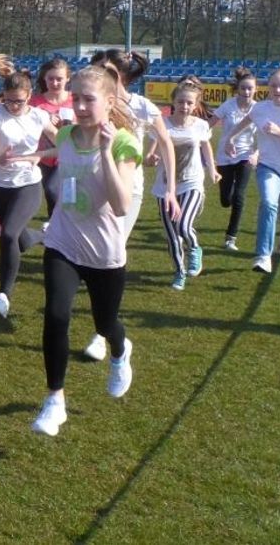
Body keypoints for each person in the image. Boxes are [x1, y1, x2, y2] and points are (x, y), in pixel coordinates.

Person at [31, 65, 141, 437]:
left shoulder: (125, 143)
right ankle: (54, 400)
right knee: (56, 316)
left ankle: (120, 349)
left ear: (110, 102)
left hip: (105, 254)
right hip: (63, 243)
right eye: (74, 98)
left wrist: (107, 152)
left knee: (104, 323)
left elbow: (122, 204)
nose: (78, 105)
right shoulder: (64, 137)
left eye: (87, 99)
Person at [82, 49, 179, 362]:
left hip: (127, 191)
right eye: (98, 70)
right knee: (89, 258)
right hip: (91, 189)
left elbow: (165, 144)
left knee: (111, 253)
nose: (103, 76)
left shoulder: (141, 106)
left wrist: (171, 189)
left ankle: (102, 334)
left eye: (108, 71)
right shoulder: (90, 104)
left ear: (121, 76)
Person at [0, 67, 53, 319]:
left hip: (27, 184)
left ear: (29, 96)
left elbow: (64, 144)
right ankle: (41, 236)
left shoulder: (39, 116)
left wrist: (39, 155)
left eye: (19, 101)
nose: (14, 106)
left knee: (7, 236)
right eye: (8, 100)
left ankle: (3, 296)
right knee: (19, 239)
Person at [222, 68, 280, 274]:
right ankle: (263, 256)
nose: (277, 90)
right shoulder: (261, 109)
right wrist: (230, 138)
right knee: (268, 203)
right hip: (268, 167)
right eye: (273, 85)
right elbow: (246, 121)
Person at [150, 79, 220, 290]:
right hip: (164, 185)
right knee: (172, 236)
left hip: (192, 181)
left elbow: (206, 146)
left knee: (183, 225)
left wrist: (212, 169)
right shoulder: (162, 124)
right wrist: (150, 158)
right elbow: (151, 150)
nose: (185, 106)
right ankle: (179, 272)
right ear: (173, 102)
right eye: (181, 102)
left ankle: (195, 248)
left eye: (189, 103)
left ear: (196, 105)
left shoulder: (200, 125)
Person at [211, 68, 258, 251]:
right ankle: (226, 197)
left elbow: (264, 134)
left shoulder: (258, 108)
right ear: (237, 88)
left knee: (239, 195)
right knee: (226, 199)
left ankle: (231, 237)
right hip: (225, 156)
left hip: (246, 155)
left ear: (255, 89)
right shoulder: (228, 106)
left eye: (250, 89)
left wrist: (256, 153)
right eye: (243, 88)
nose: (246, 92)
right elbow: (210, 123)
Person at [30, 57, 75, 219]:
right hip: (44, 157)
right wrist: (45, 123)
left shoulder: (75, 100)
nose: (55, 83)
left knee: (60, 191)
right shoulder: (36, 102)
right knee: (51, 194)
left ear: (67, 79)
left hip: (71, 155)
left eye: (59, 79)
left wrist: (72, 123)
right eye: (51, 78)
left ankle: (64, 224)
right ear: (44, 78)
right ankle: (55, 225)